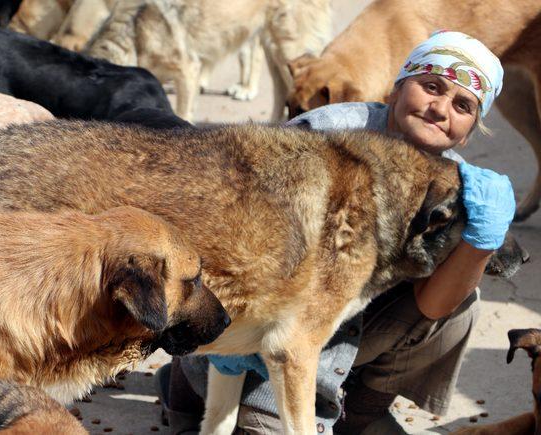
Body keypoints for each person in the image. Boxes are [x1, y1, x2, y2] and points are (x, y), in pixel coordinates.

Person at [154, 30, 516, 435]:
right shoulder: (326, 134)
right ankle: (188, 382)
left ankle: (358, 412)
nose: (439, 108)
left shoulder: (454, 186)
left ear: (468, 133)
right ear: (395, 91)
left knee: (463, 299)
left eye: (463, 105)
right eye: (431, 86)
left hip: (329, 335)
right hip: (258, 334)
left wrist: (482, 240)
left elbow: (434, 308)